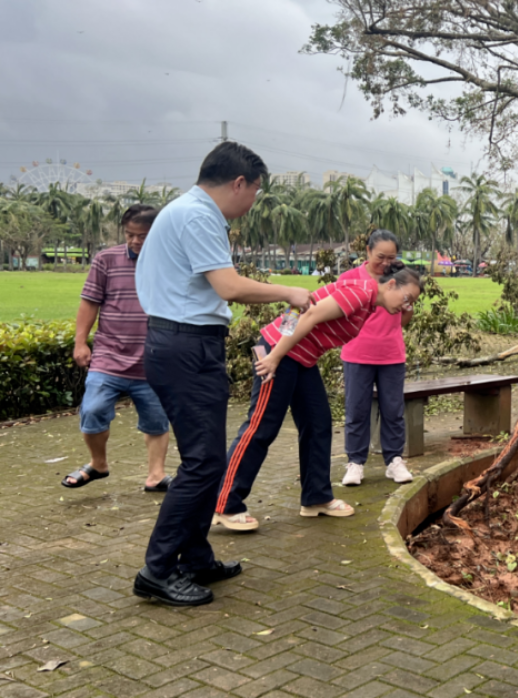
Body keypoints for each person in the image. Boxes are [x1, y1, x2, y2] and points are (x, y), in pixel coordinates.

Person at [132, 142, 311, 607]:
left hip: (185, 344)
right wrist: (288, 291)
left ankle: (194, 557)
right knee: (203, 462)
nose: (253, 202)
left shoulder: (190, 212)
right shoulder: (198, 215)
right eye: (255, 191)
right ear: (239, 183)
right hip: (184, 346)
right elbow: (228, 287)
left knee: (206, 457)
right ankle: (157, 569)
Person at [211, 263, 423, 531]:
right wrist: (274, 353)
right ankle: (224, 504)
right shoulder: (360, 293)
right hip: (283, 356)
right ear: (391, 284)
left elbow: (303, 303)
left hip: (301, 359)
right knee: (261, 427)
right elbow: (308, 317)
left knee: (318, 424)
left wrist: (279, 342)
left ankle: (316, 497)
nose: (406, 306)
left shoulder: (368, 300)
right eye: (407, 299)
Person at [63, 205, 171, 492]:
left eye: (143, 236)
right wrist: (80, 341)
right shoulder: (106, 259)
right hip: (109, 356)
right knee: (93, 409)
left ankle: (156, 476)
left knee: (157, 419)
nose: (135, 241)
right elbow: (90, 302)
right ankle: (98, 464)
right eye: (130, 234)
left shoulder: (170, 261)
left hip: (153, 359)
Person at [338, 230, 416, 487]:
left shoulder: (399, 279)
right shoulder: (349, 278)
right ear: (368, 252)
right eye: (380, 256)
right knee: (357, 410)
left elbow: (403, 321)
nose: (385, 263)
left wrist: (408, 307)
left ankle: (394, 461)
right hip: (357, 354)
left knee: (393, 411)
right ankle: (355, 462)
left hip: (391, 355)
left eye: (391, 257)